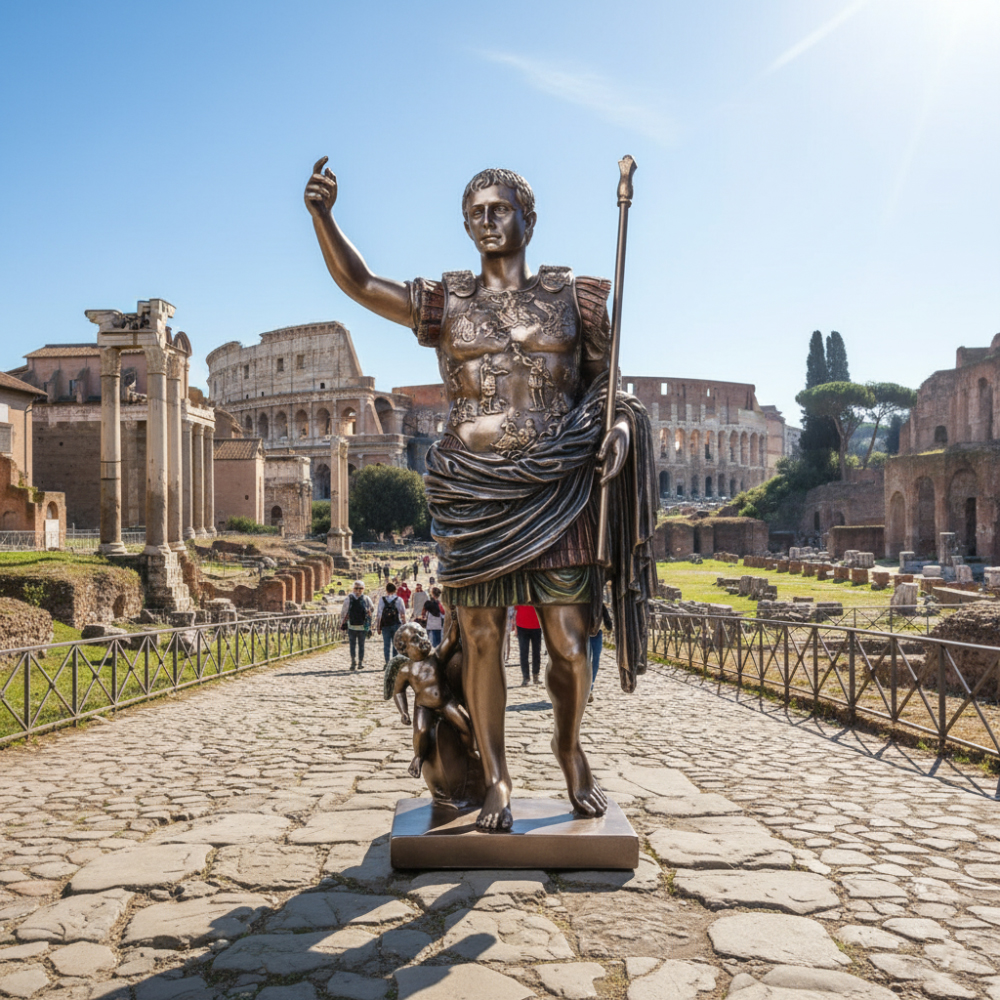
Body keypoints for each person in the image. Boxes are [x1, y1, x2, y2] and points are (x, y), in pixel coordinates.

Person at [305, 160, 657, 831]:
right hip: (472, 492)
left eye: (500, 209)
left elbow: (610, 384)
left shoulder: (575, 299)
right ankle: (496, 777)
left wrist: (616, 428)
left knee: (572, 644)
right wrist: (324, 217)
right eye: (477, 213)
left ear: (528, 217)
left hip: (561, 486)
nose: (488, 221)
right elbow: (359, 284)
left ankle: (570, 748)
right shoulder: (447, 302)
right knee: (484, 637)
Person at [388, 622, 475, 778]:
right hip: (423, 706)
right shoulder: (406, 670)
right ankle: (419, 757)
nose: (422, 639)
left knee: (466, 725)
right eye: (415, 639)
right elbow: (398, 691)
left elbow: (451, 640)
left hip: (446, 701)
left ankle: (468, 752)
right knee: (421, 731)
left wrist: (455, 620)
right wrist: (403, 712)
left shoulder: (436, 657)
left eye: (423, 634)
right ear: (404, 648)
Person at [340, 580, 373, 670]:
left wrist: (341, 624)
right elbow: (372, 609)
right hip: (362, 626)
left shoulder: (348, 598)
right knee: (361, 645)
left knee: (352, 645)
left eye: (360, 588)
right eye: (357, 588)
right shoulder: (366, 599)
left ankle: (353, 662)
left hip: (351, 626)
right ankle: (360, 662)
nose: (358, 590)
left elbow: (344, 612)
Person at [376, 582, 407, 665]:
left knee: (386, 645)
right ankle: (394, 664)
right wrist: (404, 626)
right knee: (395, 645)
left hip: (385, 625)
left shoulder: (382, 600)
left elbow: (379, 614)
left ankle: (387, 663)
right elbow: (403, 614)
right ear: (395, 590)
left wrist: (378, 627)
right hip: (396, 624)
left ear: (386, 590)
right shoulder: (399, 600)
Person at [514, 605, 543, 687]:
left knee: (536, 653)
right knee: (523, 653)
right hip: (522, 626)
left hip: (536, 626)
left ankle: (535, 675)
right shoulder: (521, 594)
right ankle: (526, 677)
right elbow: (515, 608)